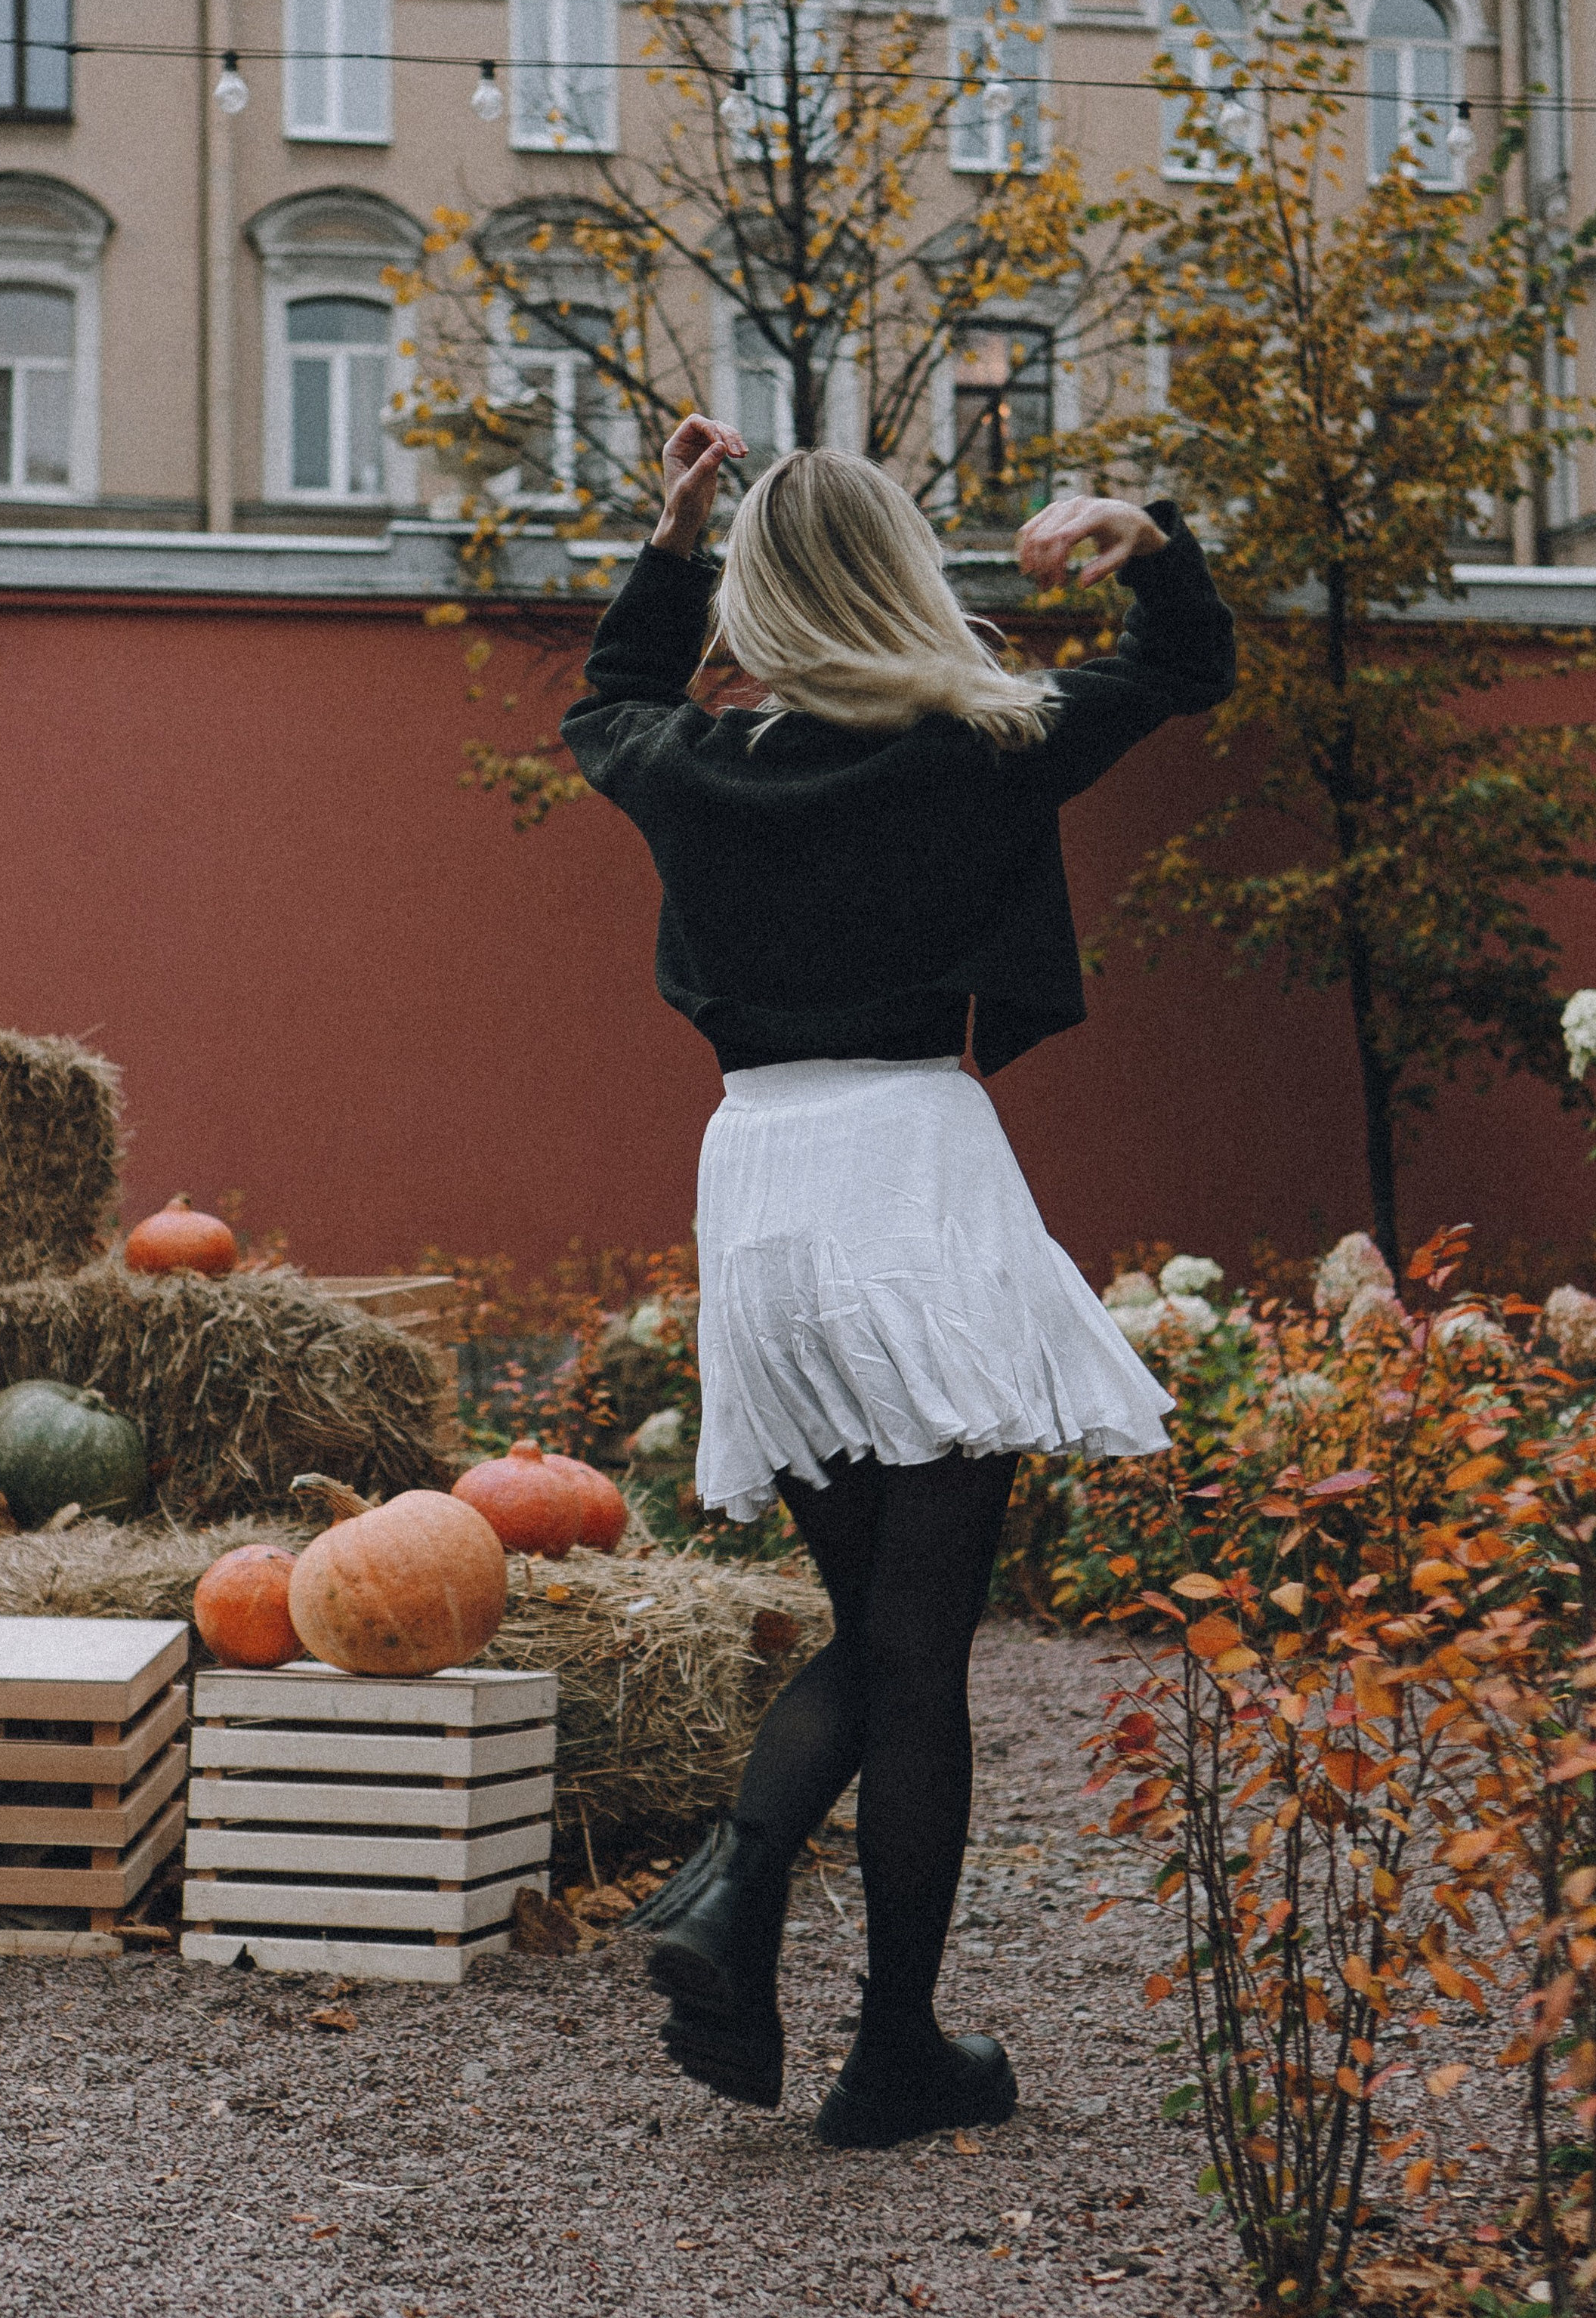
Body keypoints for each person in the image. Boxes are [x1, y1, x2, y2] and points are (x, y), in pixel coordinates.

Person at [562, 421, 1236, 2150]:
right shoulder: (987, 745)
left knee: (876, 1627)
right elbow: (1184, 662)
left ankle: (736, 1887)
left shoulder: (689, 765)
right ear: (901, 574)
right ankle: (888, 2049)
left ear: (760, 597)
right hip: (912, 1176)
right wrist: (1137, 530)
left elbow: (601, 701)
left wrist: (673, 534)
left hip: (761, 1191)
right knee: (920, 1650)